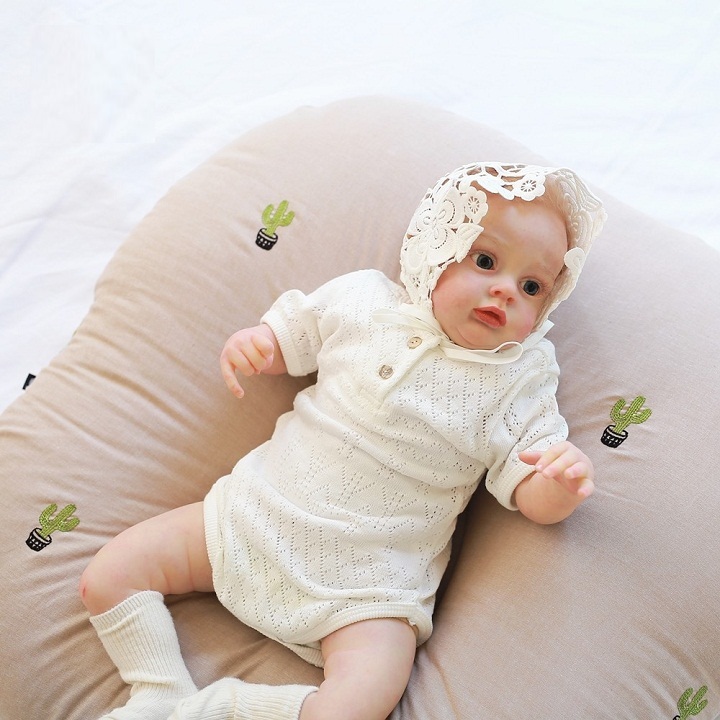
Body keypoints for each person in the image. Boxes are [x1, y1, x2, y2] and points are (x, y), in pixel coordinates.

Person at [79, 162, 606, 720]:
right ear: (435, 245)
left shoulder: (519, 377)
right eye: (485, 261)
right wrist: (257, 345)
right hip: (255, 514)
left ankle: (222, 709)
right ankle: (158, 690)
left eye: (532, 287)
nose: (505, 289)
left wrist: (559, 485)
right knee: (108, 577)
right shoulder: (365, 300)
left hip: (371, 582)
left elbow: (532, 490)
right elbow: (291, 337)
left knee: (363, 699)